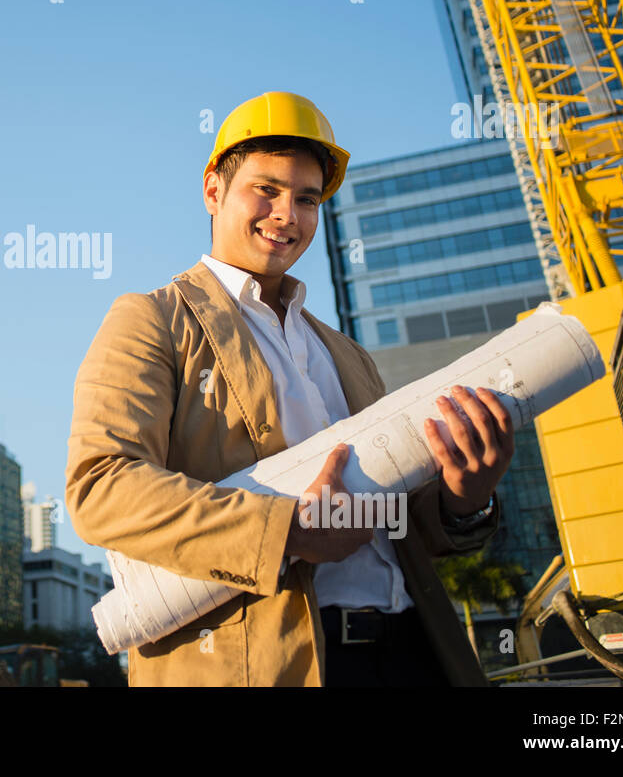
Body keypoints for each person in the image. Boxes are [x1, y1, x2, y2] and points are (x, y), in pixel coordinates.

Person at [65, 90, 514, 687]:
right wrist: (288, 532)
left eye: (307, 199)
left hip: (411, 650)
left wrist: (463, 498)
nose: (288, 214)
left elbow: (394, 527)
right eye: (267, 189)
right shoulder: (153, 320)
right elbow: (102, 486)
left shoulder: (347, 355)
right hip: (268, 665)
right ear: (213, 190)